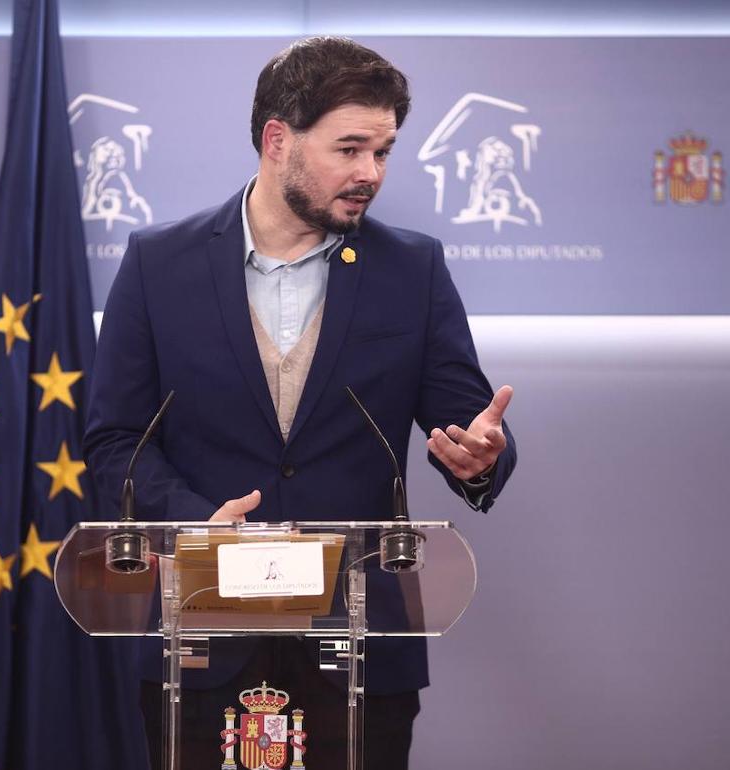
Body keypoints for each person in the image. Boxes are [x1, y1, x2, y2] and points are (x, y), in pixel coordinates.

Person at [84, 36, 517, 769]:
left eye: (382, 152)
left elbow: (471, 427)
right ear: (277, 139)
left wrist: (479, 459)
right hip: (205, 636)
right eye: (349, 149)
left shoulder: (412, 269)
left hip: (362, 647)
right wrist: (194, 522)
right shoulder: (160, 264)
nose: (370, 173)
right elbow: (114, 440)